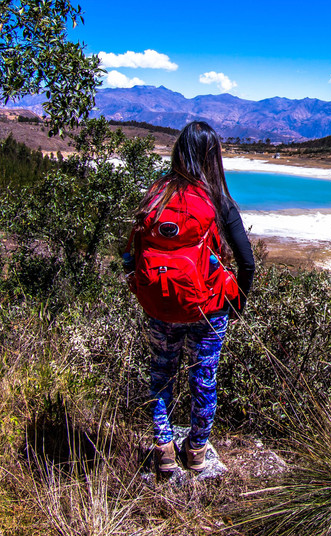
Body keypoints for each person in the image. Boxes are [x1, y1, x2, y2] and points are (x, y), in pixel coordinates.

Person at [133, 121, 255, 474]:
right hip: (209, 309)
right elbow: (246, 262)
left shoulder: (156, 196)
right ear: (212, 155)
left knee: (161, 375)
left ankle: (164, 450)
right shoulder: (218, 200)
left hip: (161, 305)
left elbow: (133, 252)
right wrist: (238, 305)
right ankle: (198, 451)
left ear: (178, 151)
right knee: (203, 378)